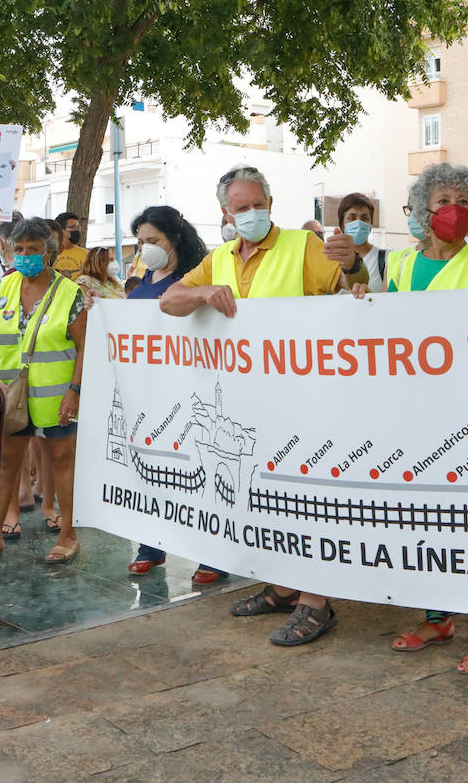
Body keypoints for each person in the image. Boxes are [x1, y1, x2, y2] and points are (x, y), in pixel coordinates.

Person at [161, 164, 366, 646]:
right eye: (242, 207)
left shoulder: (303, 245)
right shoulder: (220, 258)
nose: (252, 212)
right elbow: (169, 300)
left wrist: (354, 266)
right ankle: (284, 586)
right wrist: (202, 293)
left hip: (303, 399)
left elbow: (352, 288)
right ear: (225, 213)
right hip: (245, 405)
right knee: (264, 499)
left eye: (259, 204)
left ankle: (316, 602)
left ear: (271, 204)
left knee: (306, 501)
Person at [380, 163, 468, 673]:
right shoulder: (399, 264)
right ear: (422, 209)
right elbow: (385, 329)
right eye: (442, 201)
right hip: (416, 412)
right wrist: (360, 304)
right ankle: (437, 618)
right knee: (424, 517)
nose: (453, 210)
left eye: (463, 202)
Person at [0, 217, 88, 566]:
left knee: (63, 462)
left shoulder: (70, 293)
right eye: (19, 249)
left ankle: (68, 535)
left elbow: (84, 346)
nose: (25, 256)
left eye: (33, 249)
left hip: (56, 397)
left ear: (48, 251)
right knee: (4, 462)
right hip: (10, 396)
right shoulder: (2, 287)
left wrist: (75, 391)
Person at [121, 206, 226, 584]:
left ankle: (212, 554)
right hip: (148, 390)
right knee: (151, 467)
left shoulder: (192, 279)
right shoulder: (144, 279)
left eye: (153, 240)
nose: (145, 248)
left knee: (200, 469)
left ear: (174, 238)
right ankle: (151, 546)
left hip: (191, 388)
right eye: (141, 242)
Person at [337, 193, 388, 293]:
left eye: (364, 218)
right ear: (342, 225)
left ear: (370, 224)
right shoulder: (331, 260)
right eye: (352, 218)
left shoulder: (386, 258)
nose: (359, 223)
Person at [52, 212, 88, 279]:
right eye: (72, 227)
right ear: (60, 230)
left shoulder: (86, 254)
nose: (76, 230)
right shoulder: (49, 253)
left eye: (78, 227)